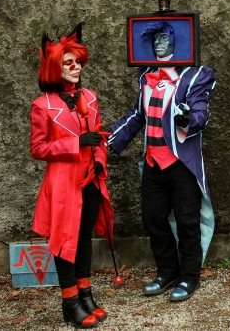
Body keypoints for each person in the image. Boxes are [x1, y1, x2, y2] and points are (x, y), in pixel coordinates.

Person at [107, 31, 217, 302]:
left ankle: (189, 276)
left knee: (187, 221)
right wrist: (107, 139)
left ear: (177, 40)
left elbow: (201, 113)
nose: (158, 43)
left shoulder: (195, 75)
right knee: (153, 218)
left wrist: (188, 119)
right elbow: (138, 114)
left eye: (165, 38)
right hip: (153, 162)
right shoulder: (146, 75)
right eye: (155, 38)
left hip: (181, 164)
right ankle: (167, 272)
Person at [30, 24, 114, 328]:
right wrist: (75, 143)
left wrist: (100, 161)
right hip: (63, 182)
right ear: (55, 68)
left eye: (78, 62)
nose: (76, 67)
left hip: (89, 178)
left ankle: (85, 294)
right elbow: (38, 149)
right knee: (65, 239)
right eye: (69, 63)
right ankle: (70, 302)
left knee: (83, 238)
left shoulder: (90, 98)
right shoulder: (42, 105)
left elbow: (100, 138)